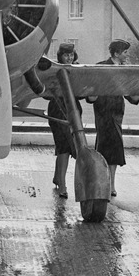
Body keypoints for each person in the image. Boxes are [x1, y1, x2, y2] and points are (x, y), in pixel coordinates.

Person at [86, 39, 139, 197]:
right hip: (103, 110)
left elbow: (131, 94)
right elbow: (92, 90)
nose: (127, 55)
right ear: (116, 53)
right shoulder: (101, 66)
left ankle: (111, 183)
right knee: (103, 145)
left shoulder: (125, 70)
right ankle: (103, 181)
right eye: (125, 52)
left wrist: (136, 94)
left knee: (115, 146)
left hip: (116, 112)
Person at [47, 43, 82, 199]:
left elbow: (82, 93)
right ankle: (62, 184)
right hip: (57, 110)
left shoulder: (77, 71)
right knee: (64, 147)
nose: (69, 57)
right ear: (60, 56)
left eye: (71, 55)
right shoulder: (53, 71)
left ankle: (57, 177)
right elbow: (45, 92)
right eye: (66, 55)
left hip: (72, 111)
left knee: (65, 146)